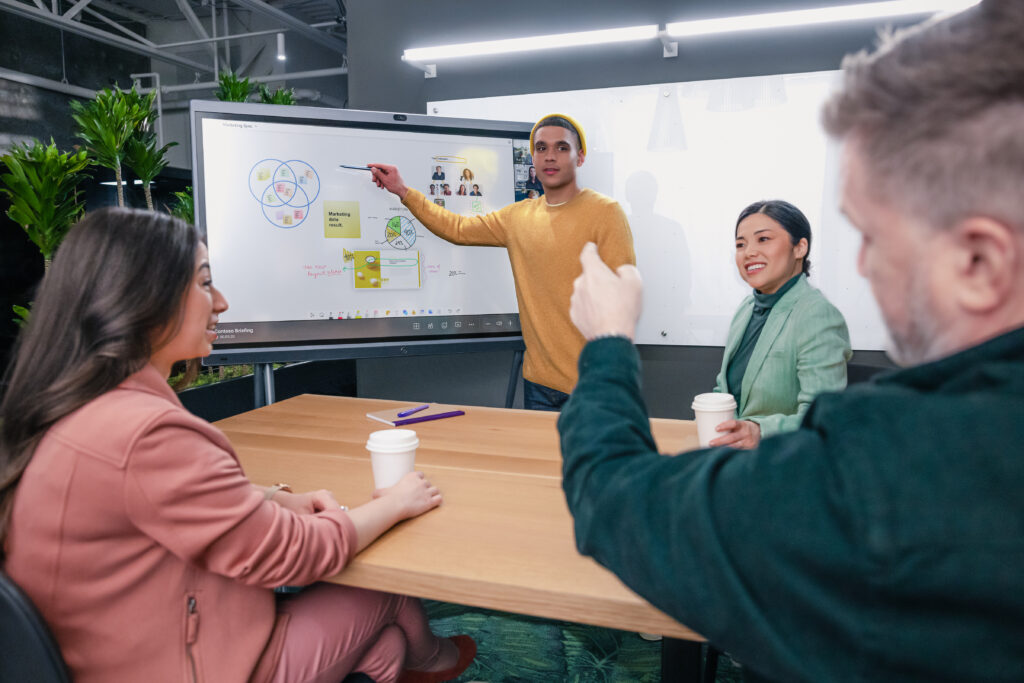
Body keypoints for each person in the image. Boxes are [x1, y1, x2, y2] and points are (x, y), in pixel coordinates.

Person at [559, 2, 1024, 681]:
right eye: (740, 242)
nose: (863, 264)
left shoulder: (898, 465)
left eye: (874, 235)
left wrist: (607, 340)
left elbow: (613, 503)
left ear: (980, 262)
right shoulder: (746, 313)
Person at [0, 208, 476, 683]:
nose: (223, 303)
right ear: (143, 299)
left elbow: (157, 500)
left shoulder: (72, 408)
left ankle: (419, 662)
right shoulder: (146, 434)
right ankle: (438, 662)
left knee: (386, 648)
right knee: (384, 589)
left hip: (133, 648)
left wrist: (271, 498)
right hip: (188, 665)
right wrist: (396, 503)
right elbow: (299, 554)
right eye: (205, 284)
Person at [370, 113, 635, 411]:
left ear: (581, 157)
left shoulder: (605, 213)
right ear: (533, 158)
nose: (550, 156)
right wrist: (403, 191)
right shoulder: (517, 217)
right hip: (540, 386)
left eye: (562, 147)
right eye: (541, 148)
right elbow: (457, 228)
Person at [710, 200, 851, 449]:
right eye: (741, 244)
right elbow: (724, 391)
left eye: (763, 239)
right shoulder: (746, 308)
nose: (749, 252)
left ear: (800, 248)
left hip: (783, 460)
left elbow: (823, 418)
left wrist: (759, 431)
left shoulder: (816, 314)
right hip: (733, 456)